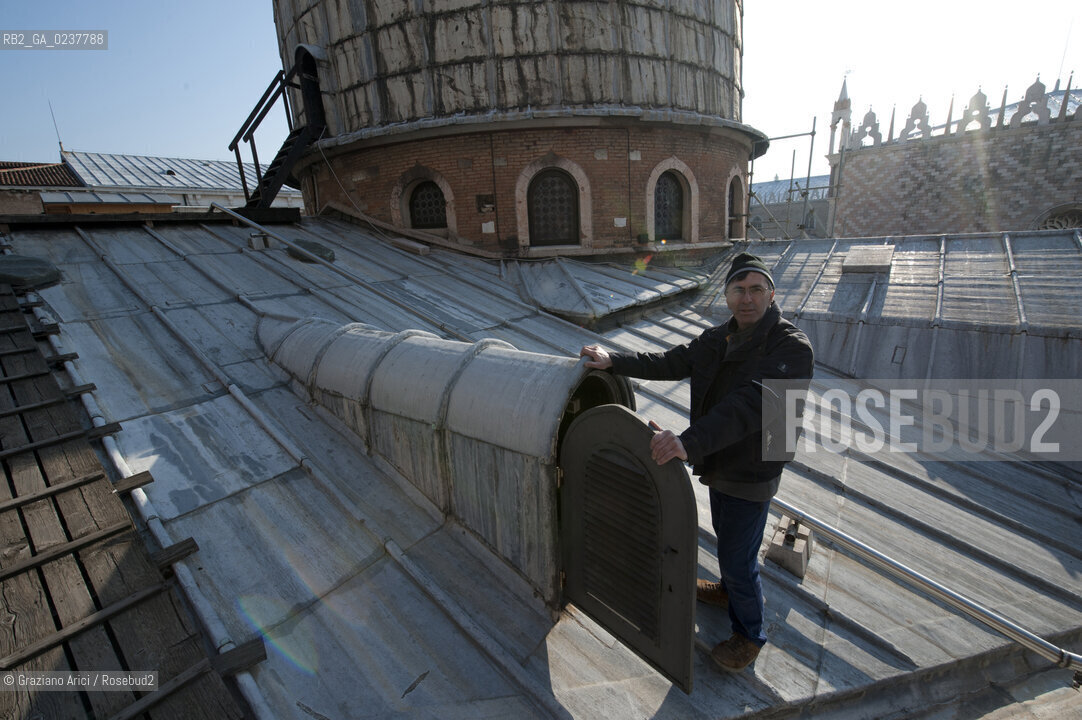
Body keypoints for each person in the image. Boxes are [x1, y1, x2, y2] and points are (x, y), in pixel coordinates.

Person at [579, 252, 813, 672]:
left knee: (741, 556)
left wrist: (689, 441)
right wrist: (615, 360)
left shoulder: (791, 347)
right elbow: (670, 361)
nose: (747, 298)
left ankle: (749, 634)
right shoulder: (718, 338)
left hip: (753, 467)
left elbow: (753, 404)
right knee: (729, 540)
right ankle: (727, 589)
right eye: (738, 289)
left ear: (772, 294)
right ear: (726, 295)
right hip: (722, 460)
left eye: (756, 289)